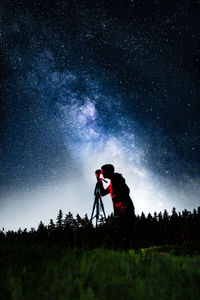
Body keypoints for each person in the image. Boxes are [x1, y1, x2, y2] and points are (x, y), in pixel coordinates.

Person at [97, 164, 135, 248]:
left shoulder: (117, 178)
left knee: (126, 228)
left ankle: (130, 248)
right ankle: (126, 248)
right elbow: (103, 193)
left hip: (125, 207)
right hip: (120, 209)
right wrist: (99, 180)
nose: (102, 172)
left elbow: (126, 190)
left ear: (109, 171)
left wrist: (123, 204)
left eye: (104, 170)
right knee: (122, 229)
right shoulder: (112, 183)